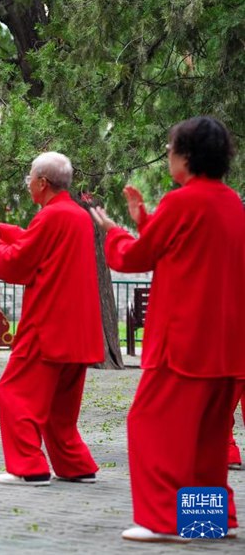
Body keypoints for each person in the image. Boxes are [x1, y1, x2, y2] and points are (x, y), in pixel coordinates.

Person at [90, 116, 244, 542]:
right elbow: (182, 245)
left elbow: (136, 258)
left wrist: (115, 231)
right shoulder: (232, 203)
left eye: (173, 149)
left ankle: (163, 520)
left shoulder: (182, 202)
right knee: (206, 443)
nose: (170, 156)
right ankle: (207, 522)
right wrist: (145, 219)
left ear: (187, 157)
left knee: (152, 427)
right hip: (227, 347)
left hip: (183, 340)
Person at [0, 151, 104, 487]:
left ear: (42, 182)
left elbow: (19, 262)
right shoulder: (76, 215)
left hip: (48, 325)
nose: (27, 183)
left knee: (14, 392)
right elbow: (35, 241)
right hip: (79, 329)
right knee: (61, 408)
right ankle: (76, 465)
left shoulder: (50, 217)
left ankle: (28, 466)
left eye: (29, 177)